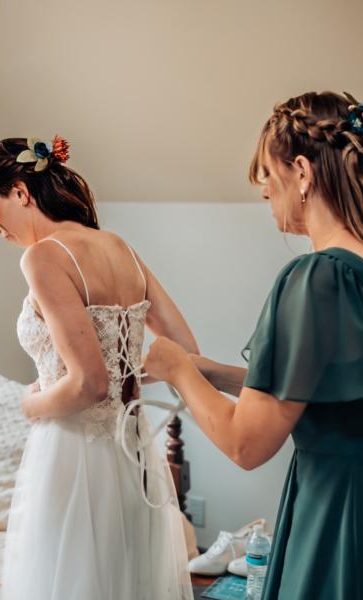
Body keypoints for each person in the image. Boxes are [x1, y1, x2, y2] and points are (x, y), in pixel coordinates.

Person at [144, 91, 363, 600]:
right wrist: (211, 371)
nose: (263, 189)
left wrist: (177, 369)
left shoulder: (317, 277)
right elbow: (325, 394)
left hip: (338, 513)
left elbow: (247, 445)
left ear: (302, 172)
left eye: (267, 173)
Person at [0, 136, 198, 600]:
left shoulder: (43, 257)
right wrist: (126, 379)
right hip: (131, 451)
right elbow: (185, 354)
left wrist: (31, 403)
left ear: (20, 192)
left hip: (73, 454)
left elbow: (88, 384)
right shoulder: (120, 248)